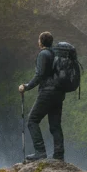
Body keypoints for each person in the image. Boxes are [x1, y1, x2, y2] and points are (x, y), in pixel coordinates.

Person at [19, 31, 64, 162]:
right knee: (55, 125)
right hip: (58, 93)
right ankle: (59, 154)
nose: (37, 42)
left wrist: (26, 87)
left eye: (38, 40)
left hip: (47, 92)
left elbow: (40, 75)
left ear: (41, 41)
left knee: (32, 120)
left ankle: (40, 151)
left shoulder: (43, 54)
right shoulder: (56, 54)